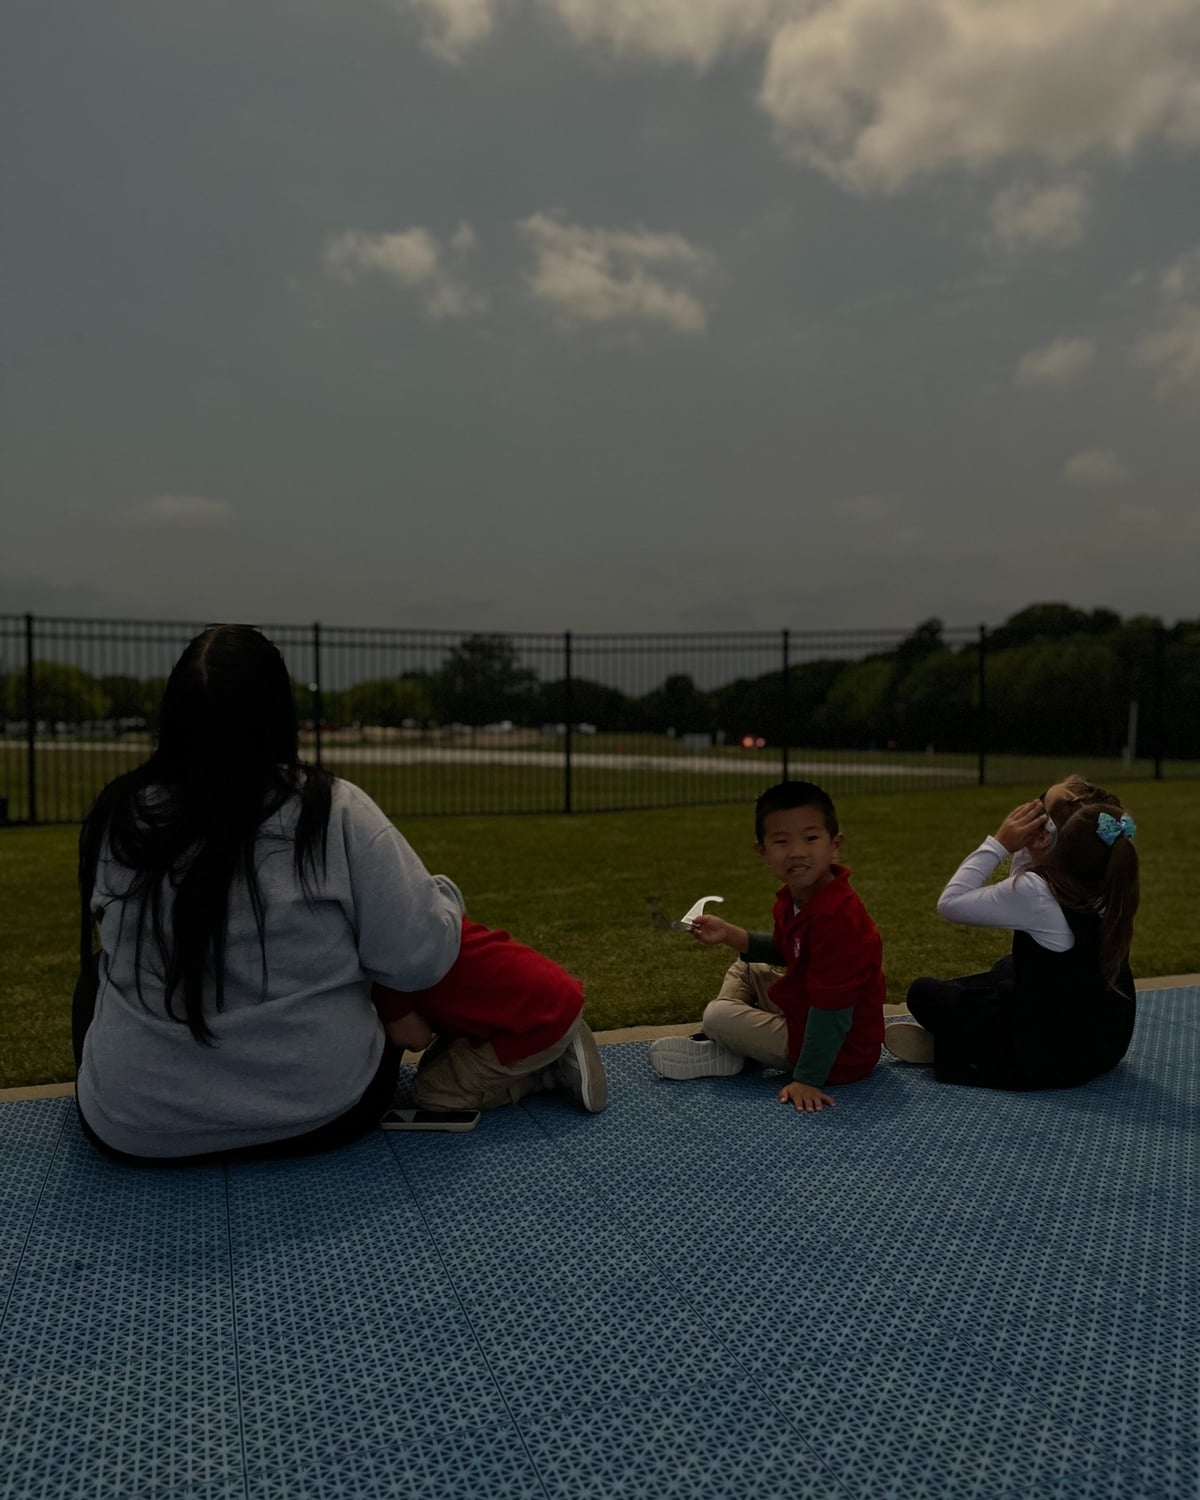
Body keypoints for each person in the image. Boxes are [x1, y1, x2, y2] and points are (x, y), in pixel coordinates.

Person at [73, 623, 468, 1163]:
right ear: (280, 715)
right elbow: (418, 957)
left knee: (96, 975)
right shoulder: (333, 811)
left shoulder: (122, 815)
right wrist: (445, 896)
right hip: (321, 1109)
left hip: (134, 1122)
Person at [886, 776, 1140, 1089]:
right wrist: (1033, 852)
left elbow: (950, 903)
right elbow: (1024, 904)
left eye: (1039, 807)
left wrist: (1000, 844)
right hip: (1106, 1040)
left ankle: (957, 1048)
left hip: (1056, 1057)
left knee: (924, 993)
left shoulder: (1037, 892)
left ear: (1047, 835)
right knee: (1008, 968)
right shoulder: (1104, 872)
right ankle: (965, 1038)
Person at [648, 780, 886, 1112]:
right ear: (763, 852)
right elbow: (789, 951)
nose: (798, 851)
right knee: (745, 965)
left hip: (840, 1052)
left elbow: (832, 1013)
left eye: (811, 838)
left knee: (717, 1015)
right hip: (805, 1012)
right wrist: (731, 934)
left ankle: (721, 1041)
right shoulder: (795, 898)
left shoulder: (839, 920)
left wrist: (808, 1079)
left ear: (835, 845)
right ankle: (729, 1048)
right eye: (781, 841)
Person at [370, 919, 608, 1113]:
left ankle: (544, 1071)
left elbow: (414, 1038)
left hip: (540, 1023)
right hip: (553, 994)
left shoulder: (387, 967)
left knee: (430, 1092)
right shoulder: (434, 919)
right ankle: (557, 1042)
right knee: (434, 1065)